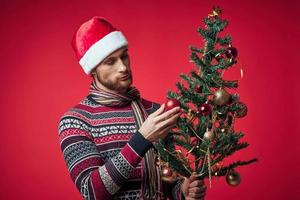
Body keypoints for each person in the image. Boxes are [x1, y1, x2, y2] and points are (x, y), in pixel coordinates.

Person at [58, 16, 207, 200]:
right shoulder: (76, 121)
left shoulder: (155, 112)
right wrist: (142, 139)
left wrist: (183, 192)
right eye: (110, 61)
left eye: (124, 56)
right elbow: (92, 192)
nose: (123, 67)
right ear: (93, 69)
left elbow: (168, 180)